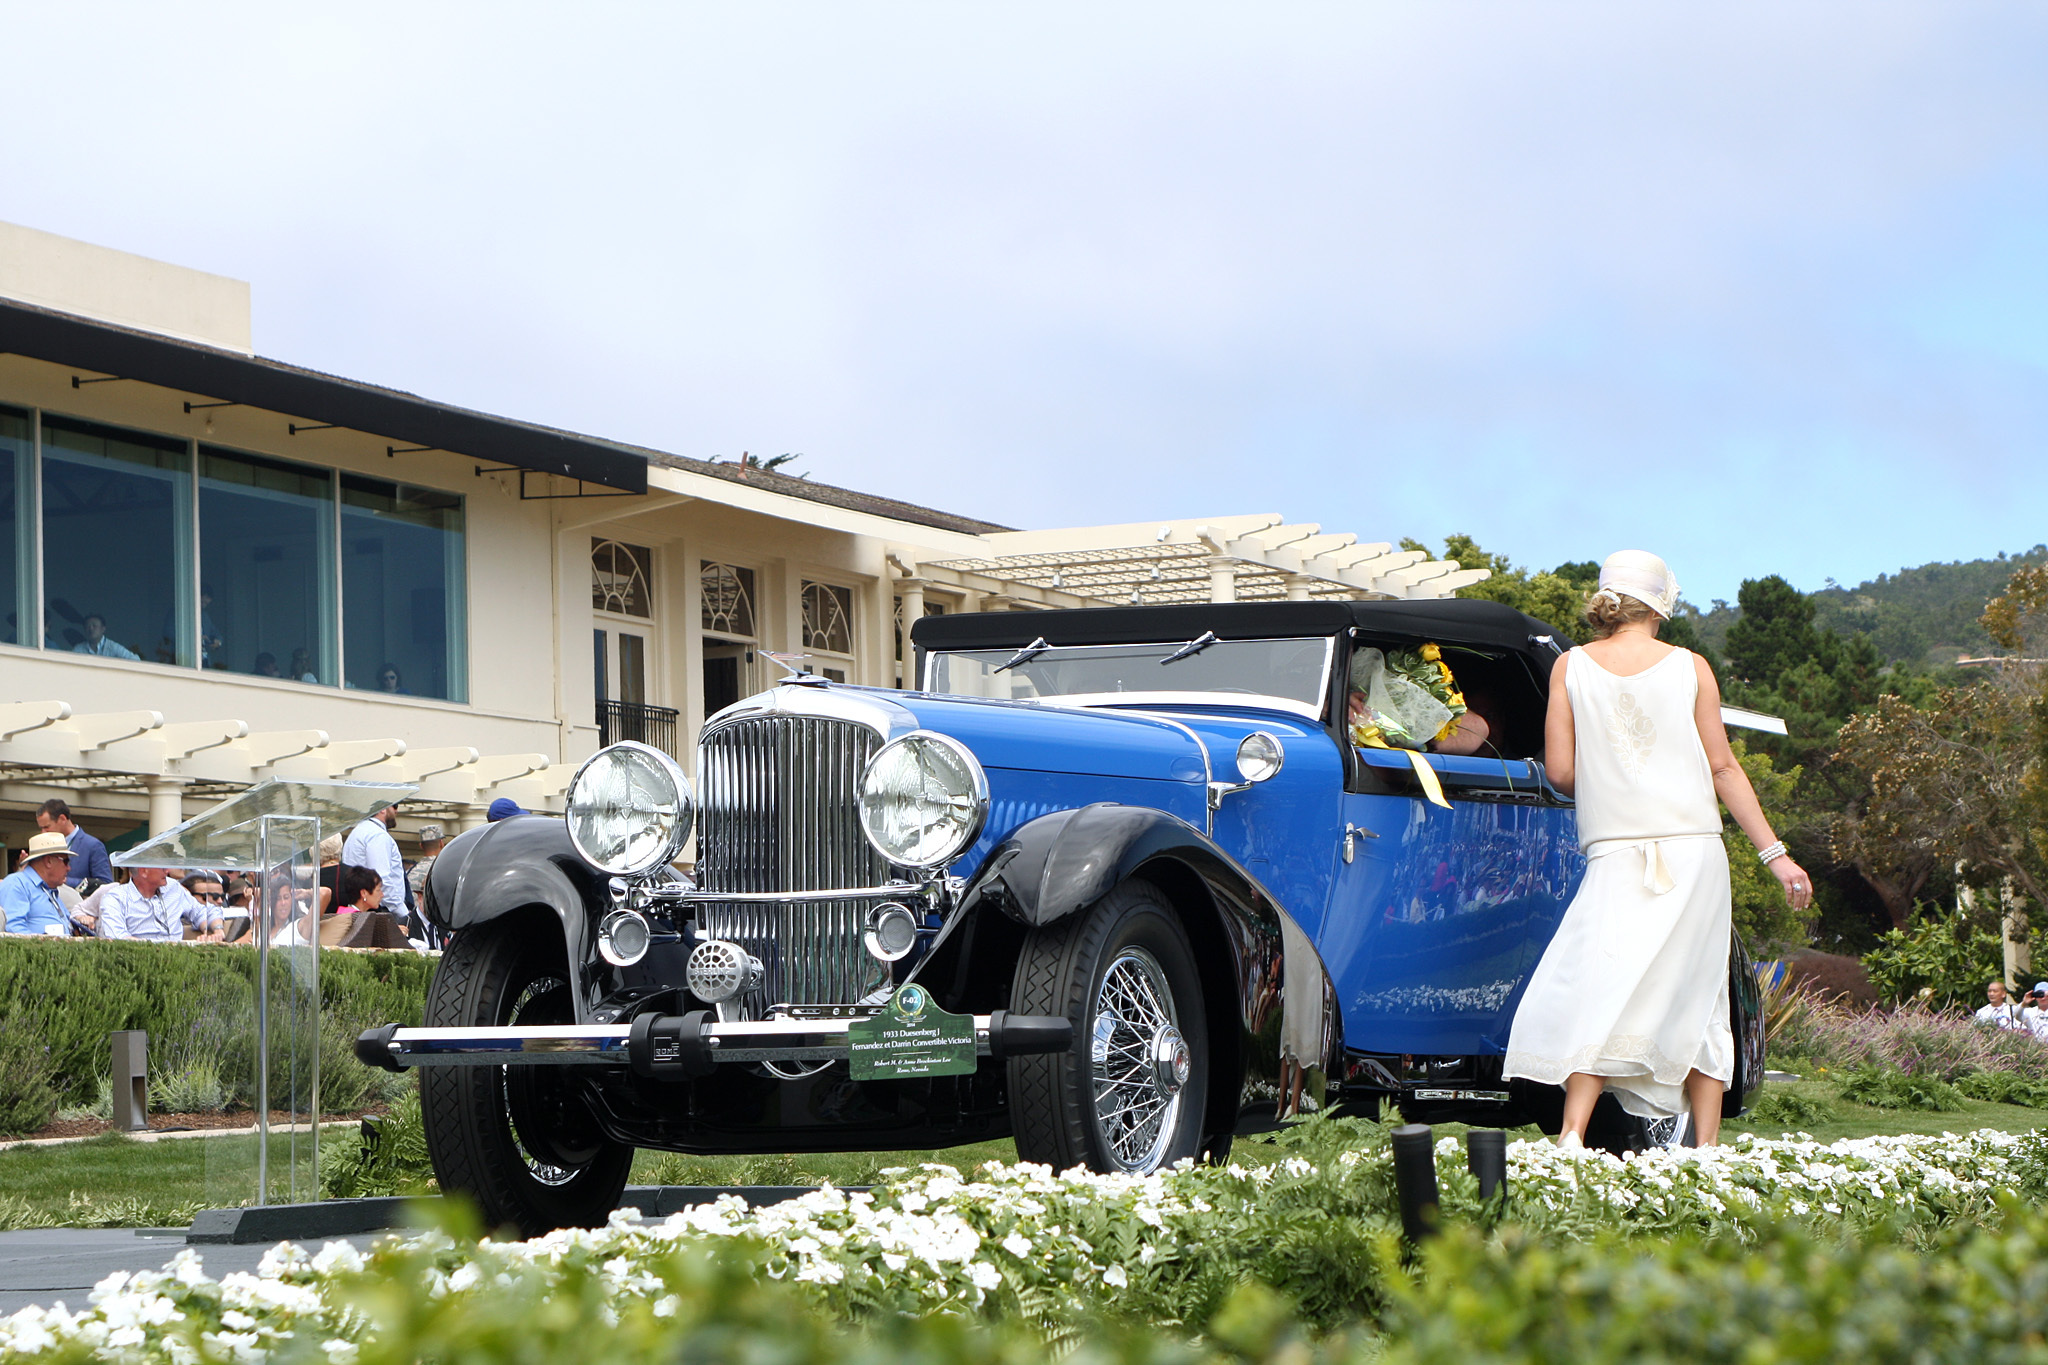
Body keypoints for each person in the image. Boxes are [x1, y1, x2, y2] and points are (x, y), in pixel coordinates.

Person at [1503, 550, 1813, 1150]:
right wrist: (1776, 855)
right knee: (1699, 995)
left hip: (1615, 853)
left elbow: (1562, 773)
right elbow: (1723, 768)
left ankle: (1571, 1132)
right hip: (1694, 854)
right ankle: (1707, 1148)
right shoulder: (1691, 666)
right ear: (1662, 602)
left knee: (1600, 983)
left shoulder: (1570, 668)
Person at [97, 866, 223, 941]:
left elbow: (202, 911)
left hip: (179, 958)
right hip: (138, 960)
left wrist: (216, 930)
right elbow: (117, 937)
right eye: (162, 868)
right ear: (144, 871)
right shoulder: (115, 897)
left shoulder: (173, 887)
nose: (167, 871)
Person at [342, 806, 407, 929]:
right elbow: (382, 878)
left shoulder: (358, 831)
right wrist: (402, 911)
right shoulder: (377, 835)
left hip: (362, 907)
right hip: (381, 910)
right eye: (394, 806)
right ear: (381, 809)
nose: (396, 811)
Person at [2, 833, 74, 935]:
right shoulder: (17, 883)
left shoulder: (51, 890)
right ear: (48, 861)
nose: (68, 868)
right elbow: (13, 930)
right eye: (66, 861)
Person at [36, 800, 113, 890]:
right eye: (41, 828)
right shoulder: (45, 846)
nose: (43, 832)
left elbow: (106, 885)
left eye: (46, 827)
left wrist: (65, 881)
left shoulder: (93, 846)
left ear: (62, 819)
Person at [73, 613, 141, 660]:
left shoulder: (112, 647)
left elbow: (135, 660)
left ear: (103, 629)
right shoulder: (79, 649)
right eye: (88, 626)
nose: (91, 629)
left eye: (94, 626)